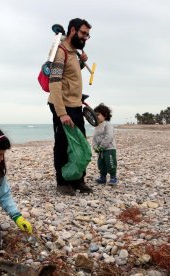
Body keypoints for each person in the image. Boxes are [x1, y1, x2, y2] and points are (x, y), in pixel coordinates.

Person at [48, 18, 93, 196]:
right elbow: (55, 82)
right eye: (83, 33)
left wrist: (81, 62)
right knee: (63, 144)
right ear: (73, 30)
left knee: (80, 144)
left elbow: (70, 75)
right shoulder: (61, 52)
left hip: (75, 105)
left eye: (88, 35)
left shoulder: (73, 52)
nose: (86, 38)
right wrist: (61, 113)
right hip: (62, 106)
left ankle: (78, 179)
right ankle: (62, 182)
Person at [93, 104, 118, 185]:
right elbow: (94, 138)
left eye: (98, 114)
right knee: (101, 164)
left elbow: (109, 136)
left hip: (109, 149)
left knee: (110, 162)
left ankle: (113, 177)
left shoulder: (108, 125)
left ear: (105, 115)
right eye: (95, 115)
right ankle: (102, 177)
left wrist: (102, 146)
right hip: (100, 150)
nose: (96, 116)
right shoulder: (97, 126)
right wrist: (95, 146)